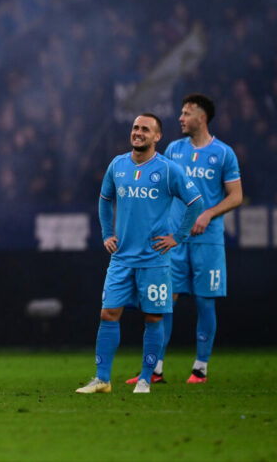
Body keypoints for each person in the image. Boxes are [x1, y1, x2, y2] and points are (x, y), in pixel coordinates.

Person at [76, 113, 203, 395]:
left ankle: (145, 379)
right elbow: (105, 199)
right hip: (121, 259)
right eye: (135, 128)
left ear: (158, 137)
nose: (138, 132)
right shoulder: (117, 165)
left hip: (154, 260)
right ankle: (102, 379)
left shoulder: (168, 170)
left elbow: (195, 202)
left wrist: (177, 237)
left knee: (153, 318)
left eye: (145, 129)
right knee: (108, 313)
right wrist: (107, 234)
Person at [126, 94, 242, 384]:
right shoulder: (174, 150)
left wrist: (208, 214)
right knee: (163, 301)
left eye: (187, 113)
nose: (181, 117)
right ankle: (155, 369)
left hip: (208, 239)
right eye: (181, 112)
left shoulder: (224, 153)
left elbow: (236, 196)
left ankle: (200, 368)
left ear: (201, 118)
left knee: (205, 302)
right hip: (175, 240)